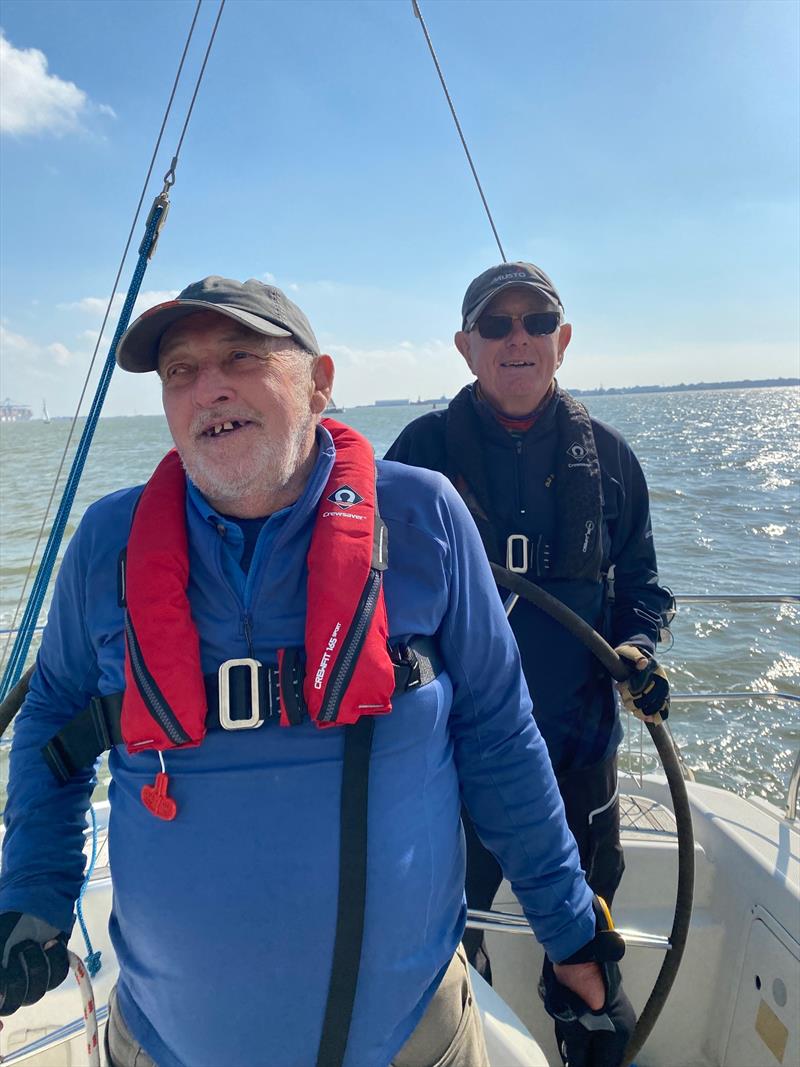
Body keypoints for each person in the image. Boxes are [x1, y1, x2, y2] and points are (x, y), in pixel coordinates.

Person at [0, 276, 635, 1067]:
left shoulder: (425, 517)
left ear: (322, 382)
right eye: (181, 371)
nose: (210, 387)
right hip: (164, 1046)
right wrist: (33, 891)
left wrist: (573, 931)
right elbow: (52, 725)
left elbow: (501, 738)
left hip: (415, 1041)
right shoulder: (107, 545)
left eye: (242, 355)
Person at [386, 261, 672, 985]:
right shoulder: (415, 458)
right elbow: (368, 590)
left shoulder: (611, 459)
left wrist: (639, 648)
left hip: (579, 749)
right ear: (465, 345)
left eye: (537, 322)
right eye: (496, 324)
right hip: (453, 756)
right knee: (443, 953)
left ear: (563, 338)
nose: (519, 339)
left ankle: (588, 1025)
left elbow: (642, 586)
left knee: (589, 960)